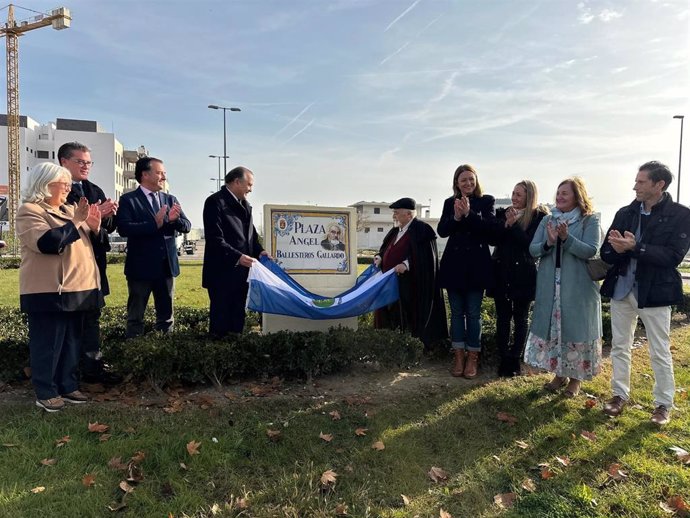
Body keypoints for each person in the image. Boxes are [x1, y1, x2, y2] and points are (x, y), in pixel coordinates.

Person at [600, 161, 690, 425]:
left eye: (641, 182)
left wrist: (635, 247)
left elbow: (673, 256)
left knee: (659, 350)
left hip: (655, 293)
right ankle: (618, 396)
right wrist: (615, 250)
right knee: (619, 346)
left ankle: (663, 404)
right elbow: (606, 252)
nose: (634, 186)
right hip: (621, 290)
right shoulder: (625, 212)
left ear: (659, 184)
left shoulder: (681, 215)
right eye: (636, 181)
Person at [16, 162, 102, 412]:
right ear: (43, 184)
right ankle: (46, 391)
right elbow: (46, 243)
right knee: (48, 343)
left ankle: (67, 384)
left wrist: (95, 228)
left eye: (67, 184)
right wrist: (77, 222)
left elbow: (93, 243)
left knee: (72, 341)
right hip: (49, 290)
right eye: (62, 184)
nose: (67, 189)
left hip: (79, 288)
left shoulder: (70, 210)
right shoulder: (29, 211)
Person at [524, 177, 602, 398]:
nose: (559, 197)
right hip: (551, 284)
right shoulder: (548, 219)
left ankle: (576, 380)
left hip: (578, 287)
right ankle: (559, 375)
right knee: (555, 329)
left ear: (577, 196)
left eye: (564, 193)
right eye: (558, 193)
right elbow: (533, 249)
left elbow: (590, 250)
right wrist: (549, 242)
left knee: (575, 329)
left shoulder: (590, 220)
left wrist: (566, 239)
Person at [58, 142, 119, 384]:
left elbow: (109, 228)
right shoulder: (55, 190)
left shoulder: (94, 189)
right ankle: (68, 374)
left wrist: (107, 214)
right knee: (70, 325)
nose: (85, 166)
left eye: (88, 162)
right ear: (64, 161)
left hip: (95, 266)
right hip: (69, 267)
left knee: (92, 320)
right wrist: (95, 216)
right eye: (80, 162)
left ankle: (93, 370)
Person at [116, 157, 191, 338]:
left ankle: (163, 355)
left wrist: (174, 221)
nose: (163, 177)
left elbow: (187, 225)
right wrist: (154, 224)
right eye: (159, 173)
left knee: (166, 317)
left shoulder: (170, 199)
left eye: (164, 173)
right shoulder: (129, 200)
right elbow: (124, 228)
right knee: (136, 317)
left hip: (166, 267)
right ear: (145, 174)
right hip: (140, 269)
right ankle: (134, 354)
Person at [437, 164, 495, 378]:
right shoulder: (448, 203)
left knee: (473, 313)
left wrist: (469, 213)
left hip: (477, 266)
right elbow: (442, 231)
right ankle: (458, 355)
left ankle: (473, 357)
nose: (468, 183)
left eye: (471, 179)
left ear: (476, 180)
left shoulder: (486, 201)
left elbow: (489, 229)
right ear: (457, 183)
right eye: (464, 180)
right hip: (454, 266)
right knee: (456, 312)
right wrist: (456, 217)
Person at [487, 180, 547, 377]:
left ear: (529, 197)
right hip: (501, 271)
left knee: (521, 317)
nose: (514, 198)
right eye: (513, 193)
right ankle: (503, 357)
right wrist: (506, 225)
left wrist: (513, 227)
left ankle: (515, 358)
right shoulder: (502, 213)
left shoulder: (539, 217)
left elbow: (531, 246)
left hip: (524, 274)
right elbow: (493, 239)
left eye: (518, 195)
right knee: (503, 317)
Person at [202, 166, 269, 337]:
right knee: (221, 322)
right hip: (221, 273)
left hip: (242, 274)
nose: (251, 189)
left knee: (237, 319)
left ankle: (235, 355)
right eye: (249, 185)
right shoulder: (215, 202)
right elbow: (215, 239)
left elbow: (251, 237)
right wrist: (237, 257)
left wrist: (259, 251)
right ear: (237, 182)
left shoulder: (246, 206)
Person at [374, 197, 447, 350]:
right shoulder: (395, 231)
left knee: (406, 317)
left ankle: (410, 347)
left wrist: (406, 264)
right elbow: (386, 249)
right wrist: (380, 257)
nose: (394, 216)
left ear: (408, 214)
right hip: (390, 284)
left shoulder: (422, 230)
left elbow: (425, 258)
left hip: (411, 286)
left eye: (397, 213)